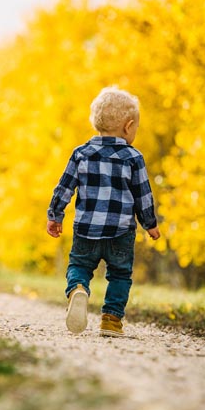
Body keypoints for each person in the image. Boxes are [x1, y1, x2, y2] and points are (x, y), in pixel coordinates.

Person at [46, 86, 160, 337]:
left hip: (87, 229)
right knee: (119, 274)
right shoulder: (133, 157)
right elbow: (143, 194)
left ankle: (78, 289)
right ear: (128, 126)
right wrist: (150, 223)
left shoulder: (81, 154)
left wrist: (55, 215)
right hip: (120, 232)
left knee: (79, 265)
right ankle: (111, 320)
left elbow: (64, 187)